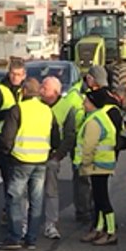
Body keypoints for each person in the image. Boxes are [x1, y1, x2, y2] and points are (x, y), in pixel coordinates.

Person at [0, 78, 60, 250]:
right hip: (41, 160)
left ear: (24, 91)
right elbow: (56, 138)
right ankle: (31, 238)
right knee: (37, 199)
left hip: (20, 159)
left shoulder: (18, 109)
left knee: (15, 198)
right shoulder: (47, 111)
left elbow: (7, 137)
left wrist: (7, 152)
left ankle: (15, 237)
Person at [78, 86, 123, 246]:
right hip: (103, 163)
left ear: (92, 103)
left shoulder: (94, 121)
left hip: (98, 165)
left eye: (86, 101)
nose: (84, 103)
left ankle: (110, 232)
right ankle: (99, 228)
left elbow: (89, 146)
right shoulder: (101, 116)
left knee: (102, 199)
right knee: (98, 198)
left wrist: (85, 164)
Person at [0, 57, 26, 224]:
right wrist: (10, 114)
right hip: (1, 140)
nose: (15, 77)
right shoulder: (0, 91)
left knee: (18, 178)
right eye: (13, 74)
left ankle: (14, 209)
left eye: (18, 74)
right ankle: (10, 211)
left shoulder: (25, 91)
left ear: (24, 75)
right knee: (10, 178)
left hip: (21, 140)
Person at [40, 76, 78, 240]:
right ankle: (25, 225)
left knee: (51, 191)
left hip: (51, 156)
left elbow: (70, 135)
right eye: (41, 87)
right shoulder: (36, 105)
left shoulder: (67, 107)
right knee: (28, 193)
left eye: (45, 88)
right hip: (33, 155)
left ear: (55, 92)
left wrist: (58, 156)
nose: (41, 90)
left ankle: (51, 224)